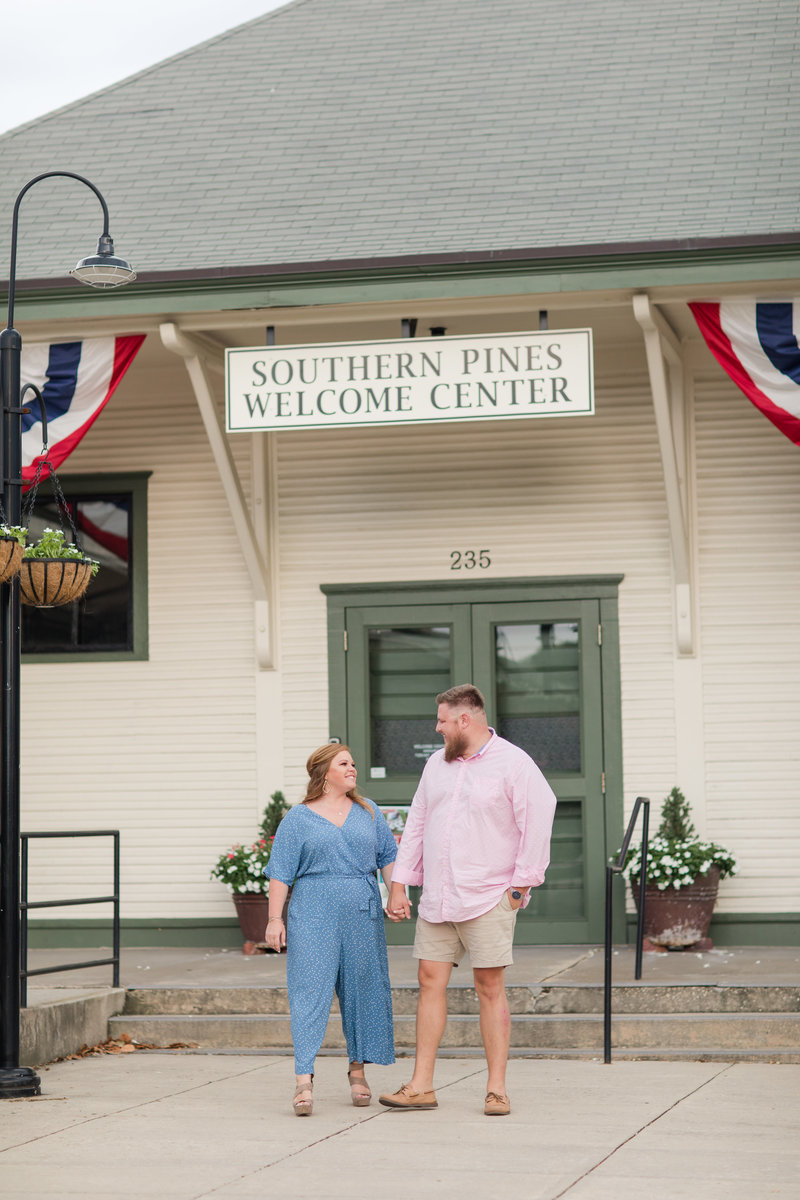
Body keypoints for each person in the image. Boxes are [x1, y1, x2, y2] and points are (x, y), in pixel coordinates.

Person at [381, 684, 556, 1117]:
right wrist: (400, 884)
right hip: (439, 895)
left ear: (465, 720)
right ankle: (421, 1085)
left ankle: (496, 1089)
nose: (436, 727)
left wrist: (521, 886)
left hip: (488, 894)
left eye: (442, 720)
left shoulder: (513, 763)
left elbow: (539, 814)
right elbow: (418, 823)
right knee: (428, 981)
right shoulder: (435, 766)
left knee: (489, 987)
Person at [265, 743, 398, 1116]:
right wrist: (275, 918)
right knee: (309, 991)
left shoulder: (368, 812)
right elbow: (280, 871)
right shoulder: (298, 818)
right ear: (324, 773)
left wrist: (396, 895)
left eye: (354, 763)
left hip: (361, 910)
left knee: (362, 990)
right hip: (312, 911)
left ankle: (358, 1071)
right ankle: (303, 1080)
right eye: (345, 763)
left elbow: (388, 858)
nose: (353, 768)